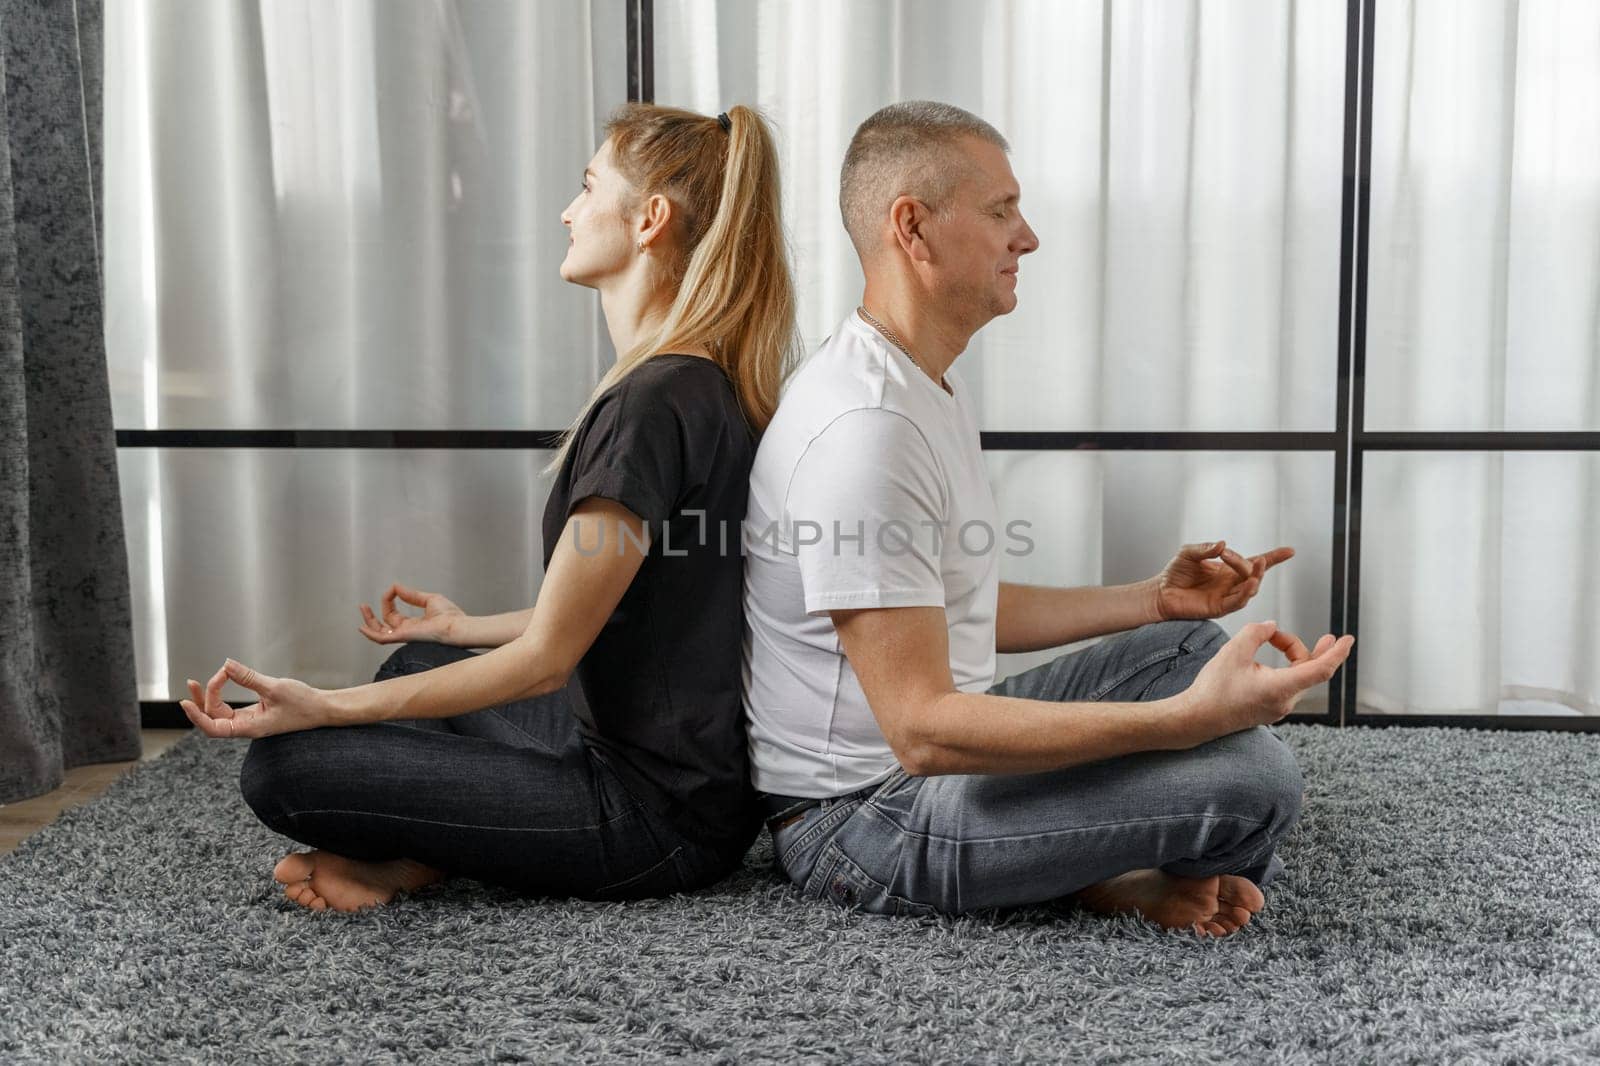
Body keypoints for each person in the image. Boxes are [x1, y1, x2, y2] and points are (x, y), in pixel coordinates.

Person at [741, 100, 1355, 938]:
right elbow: (921, 730)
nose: (1025, 238)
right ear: (912, 230)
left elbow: (957, 602)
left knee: (1185, 650)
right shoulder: (866, 431)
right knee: (1255, 785)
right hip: (857, 821)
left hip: (923, 764)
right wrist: (1185, 723)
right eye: (1001, 212)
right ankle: (1099, 873)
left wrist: (1153, 600)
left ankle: (1089, 862)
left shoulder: (919, 381)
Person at [180, 103, 800, 912]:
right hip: (690, 789)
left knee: (286, 769)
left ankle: (412, 858)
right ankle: (417, 855)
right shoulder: (702, 383)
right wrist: (460, 630)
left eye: (587, 187)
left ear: (650, 220)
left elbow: (547, 659)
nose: (568, 211)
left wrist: (326, 704)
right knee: (417, 666)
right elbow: (634, 613)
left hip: (652, 821)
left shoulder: (651, 405)